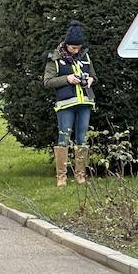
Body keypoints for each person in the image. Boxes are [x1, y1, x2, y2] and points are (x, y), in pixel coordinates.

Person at [44, 20, 98, 187]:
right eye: (73, 48)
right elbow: (47, 82)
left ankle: (80, 176)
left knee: (82, 138)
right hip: (65, 104)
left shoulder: (86, 56)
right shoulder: (55, 58)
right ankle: (62, 177)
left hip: (85, 102)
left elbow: (94, 76)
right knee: (64, 138)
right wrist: (67, 79)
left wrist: (90, 79)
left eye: (78, 47)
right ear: (66, 45)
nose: (76, 50)